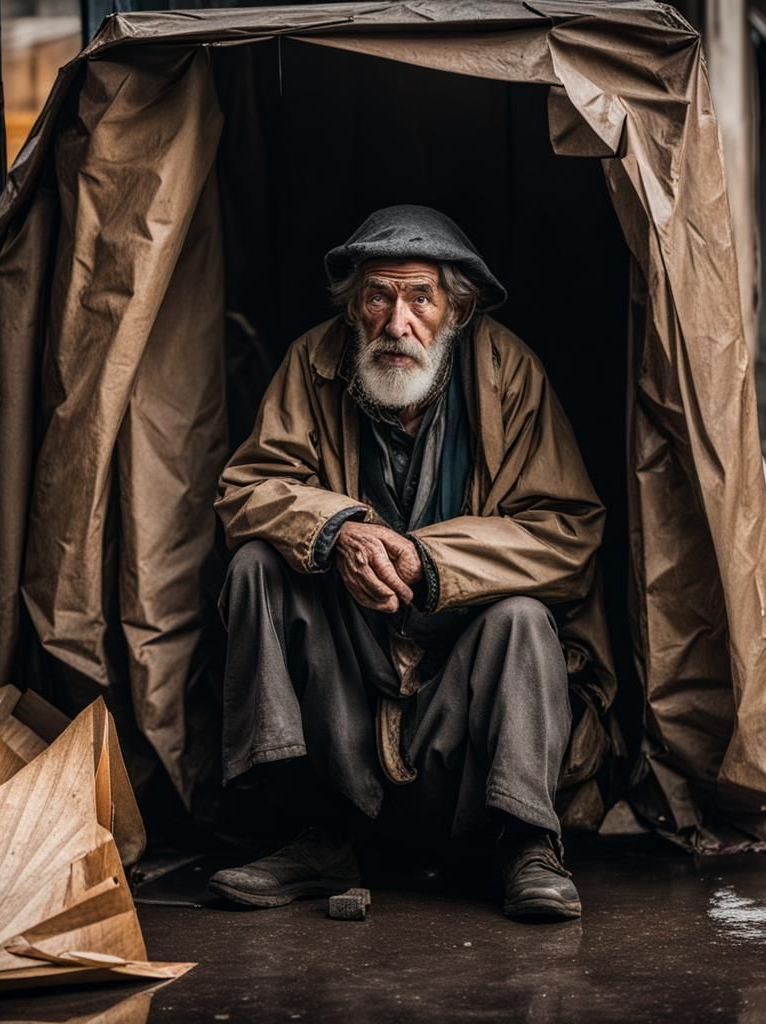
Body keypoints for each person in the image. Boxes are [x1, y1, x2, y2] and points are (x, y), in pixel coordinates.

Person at [210, 205, 605, 920]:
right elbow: (246, 490)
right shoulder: (314, 361)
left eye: (420, 298)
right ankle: (312, 832)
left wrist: (429, 560)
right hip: (350, 676)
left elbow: (569, 533)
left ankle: (527, 844)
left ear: (456, 309)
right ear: (354, 307)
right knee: (256, 569)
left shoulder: (507, 374)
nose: (397, 323)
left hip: (458, 688)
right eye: (378, 297)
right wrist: (337, 529)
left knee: (524, 619)